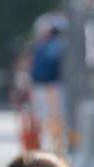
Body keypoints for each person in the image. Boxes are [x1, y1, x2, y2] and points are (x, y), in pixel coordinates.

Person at [29, 14, 68, 156]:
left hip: (47, 87)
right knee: (51, 119)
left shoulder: (48, 46)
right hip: (48, 86)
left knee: (51, 119)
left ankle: (53, 148)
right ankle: (53, 148)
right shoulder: (52, 46)